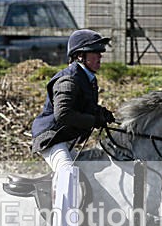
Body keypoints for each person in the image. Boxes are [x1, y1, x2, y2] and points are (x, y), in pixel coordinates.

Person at [31, 29, 115, 174]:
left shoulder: (86, 78)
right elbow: (63, 115)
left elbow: (85, 106)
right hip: (52, 139)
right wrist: (93, 120)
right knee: (68, 173)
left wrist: (102, 113)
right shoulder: (68, 80)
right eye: (95, 52)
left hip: (66, 140)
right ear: (80, 56)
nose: (100, 56)